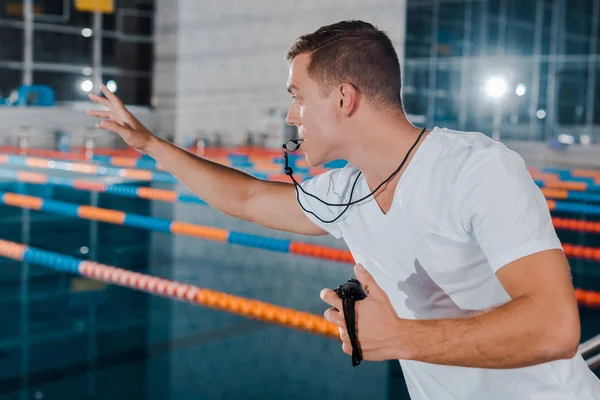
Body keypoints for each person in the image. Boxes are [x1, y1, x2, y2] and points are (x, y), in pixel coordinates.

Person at [88, 20, 600, 400]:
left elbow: (555, 328)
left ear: (343, 98)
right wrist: (148, 144)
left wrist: (400, 337)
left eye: (298, 96)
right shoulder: (344, 191)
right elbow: (244, 197)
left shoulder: (477, 170)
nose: (291, 116)